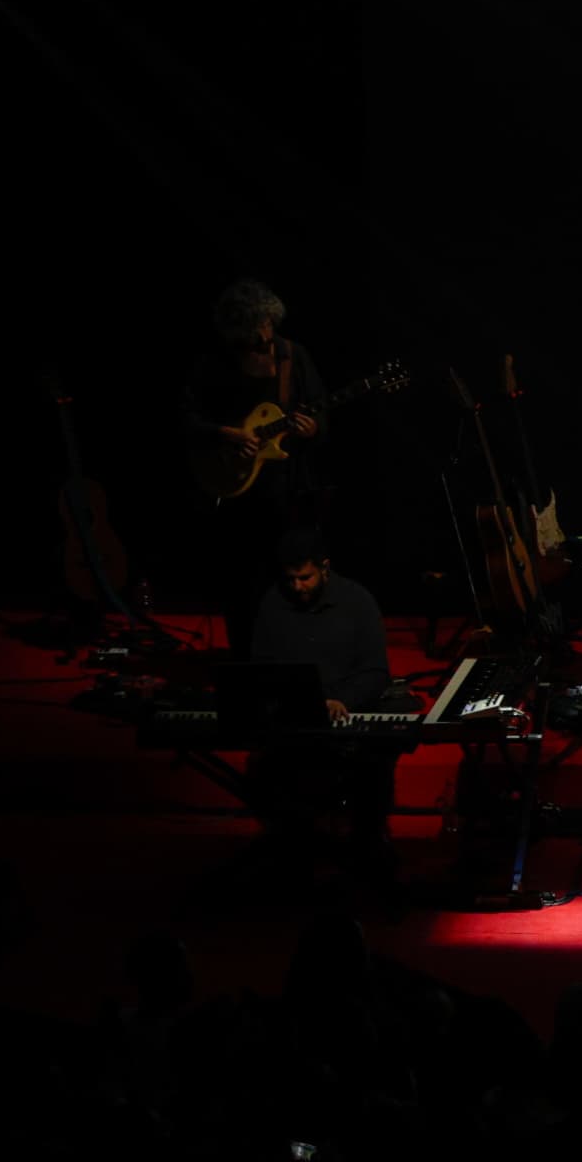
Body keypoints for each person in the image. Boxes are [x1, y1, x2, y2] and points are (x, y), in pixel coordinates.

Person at [242, 529, 400, 876]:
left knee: (375, 761)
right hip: (291, 721)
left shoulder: (358, 601)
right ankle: (291, 848)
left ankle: (366, 845)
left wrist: (342, 700)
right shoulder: (273, 602)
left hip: (348, 721)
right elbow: (261, 668)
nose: (297, 587)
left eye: (305, 578)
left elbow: (376, 672)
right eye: (291, 579)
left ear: (325, 568)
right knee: (267, 768)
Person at [186, 280, 332, 650]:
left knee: (293, 570)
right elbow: (184, 420)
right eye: (254, 328)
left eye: (267, 323)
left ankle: (296, 649)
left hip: (289, 486)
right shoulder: (215, 363)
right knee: (243, 580)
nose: (265, 334)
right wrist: (227, 434)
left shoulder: (292, 356)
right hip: (236, 489)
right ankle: (247, 655)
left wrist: (313, 428)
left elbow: (320, 410)